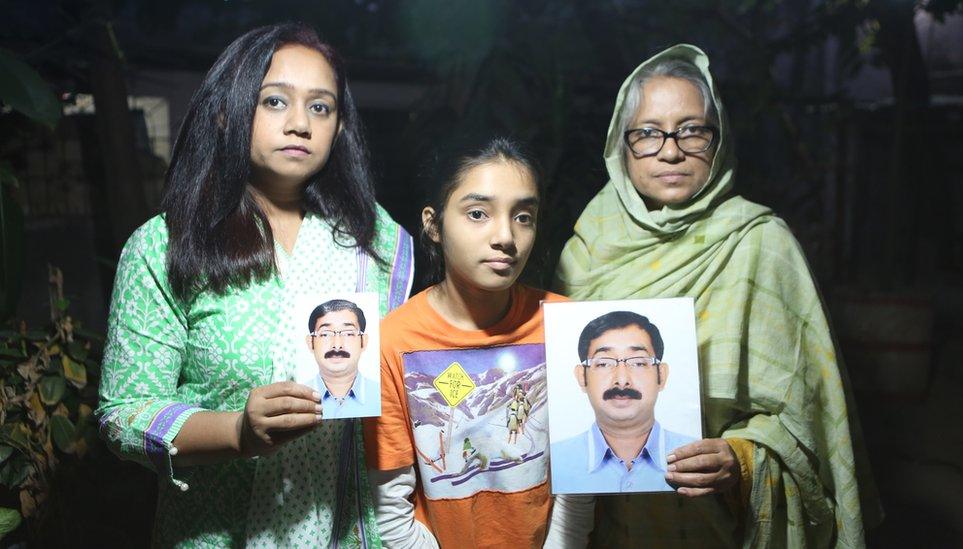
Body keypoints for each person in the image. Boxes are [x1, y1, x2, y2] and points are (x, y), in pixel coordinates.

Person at [96, 23, 413, 547]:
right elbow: (122, 415)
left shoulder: (378, 243)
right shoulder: (166, 246)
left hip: (358, 530)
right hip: (218, 530)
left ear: (339, 128)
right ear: (226, 113)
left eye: (320, 107)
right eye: (274, 101)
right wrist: (235, 433)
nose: (300, 124)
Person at [554, 44, 881, 547]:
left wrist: (741, 459)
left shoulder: (761, 244)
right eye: (647, 133)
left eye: (691, 130)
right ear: (621, 148)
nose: (670, 150)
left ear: (719, 137)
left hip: (719, 525)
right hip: (604, 527)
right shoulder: (585, 252)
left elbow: (807, 425)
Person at [363, 137, 592, 548]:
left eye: (523, 216)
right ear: (433, 224)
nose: (506, 236)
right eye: (477, 213)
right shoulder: (391, 342)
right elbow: (392, 506)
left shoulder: (568, 324)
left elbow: (578, 487)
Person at [550, 310, 694, 494]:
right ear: (582, 377)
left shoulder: (694, 454)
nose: (622, 380)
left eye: (639, 363)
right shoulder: (556, 462)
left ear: (662, 375)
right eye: (603, 363)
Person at [304, 299, 381, 419]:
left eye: (348, 333)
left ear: (363, 342)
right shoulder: (300, 398)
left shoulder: (380, 395)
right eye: (325, 334)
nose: (337, 345)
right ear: (310, 343)